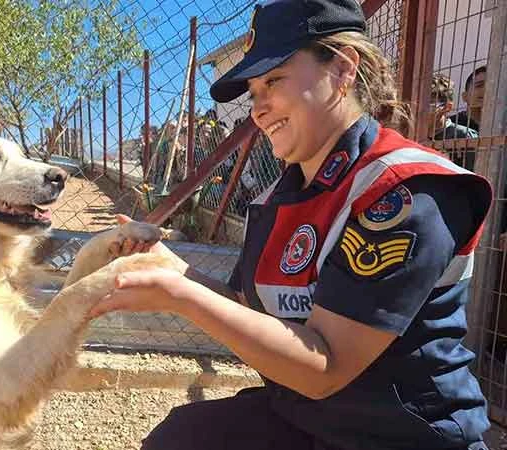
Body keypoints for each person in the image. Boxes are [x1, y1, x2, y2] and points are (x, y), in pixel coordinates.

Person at [87, 1, 494, 449]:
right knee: (181, 437)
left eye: (274, 80)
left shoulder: (405, 190)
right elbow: (246, 305)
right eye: (254, 90)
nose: (258, 109)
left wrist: (178, 295)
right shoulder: (279, 194)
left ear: (342, 70)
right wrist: (171, 267)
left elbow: (325, 368)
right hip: (309, 418)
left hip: (403, 435)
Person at [428, 73, 478, 170]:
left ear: (447, 107)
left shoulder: (464, 136)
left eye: (429, 107)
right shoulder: (410, 134)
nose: (419, 112)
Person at [451, 66, 486, 133]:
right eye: (479, 85)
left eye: (492, 86)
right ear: (465, 96)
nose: (486, 89)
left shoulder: (501, 126)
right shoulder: (451, 126)